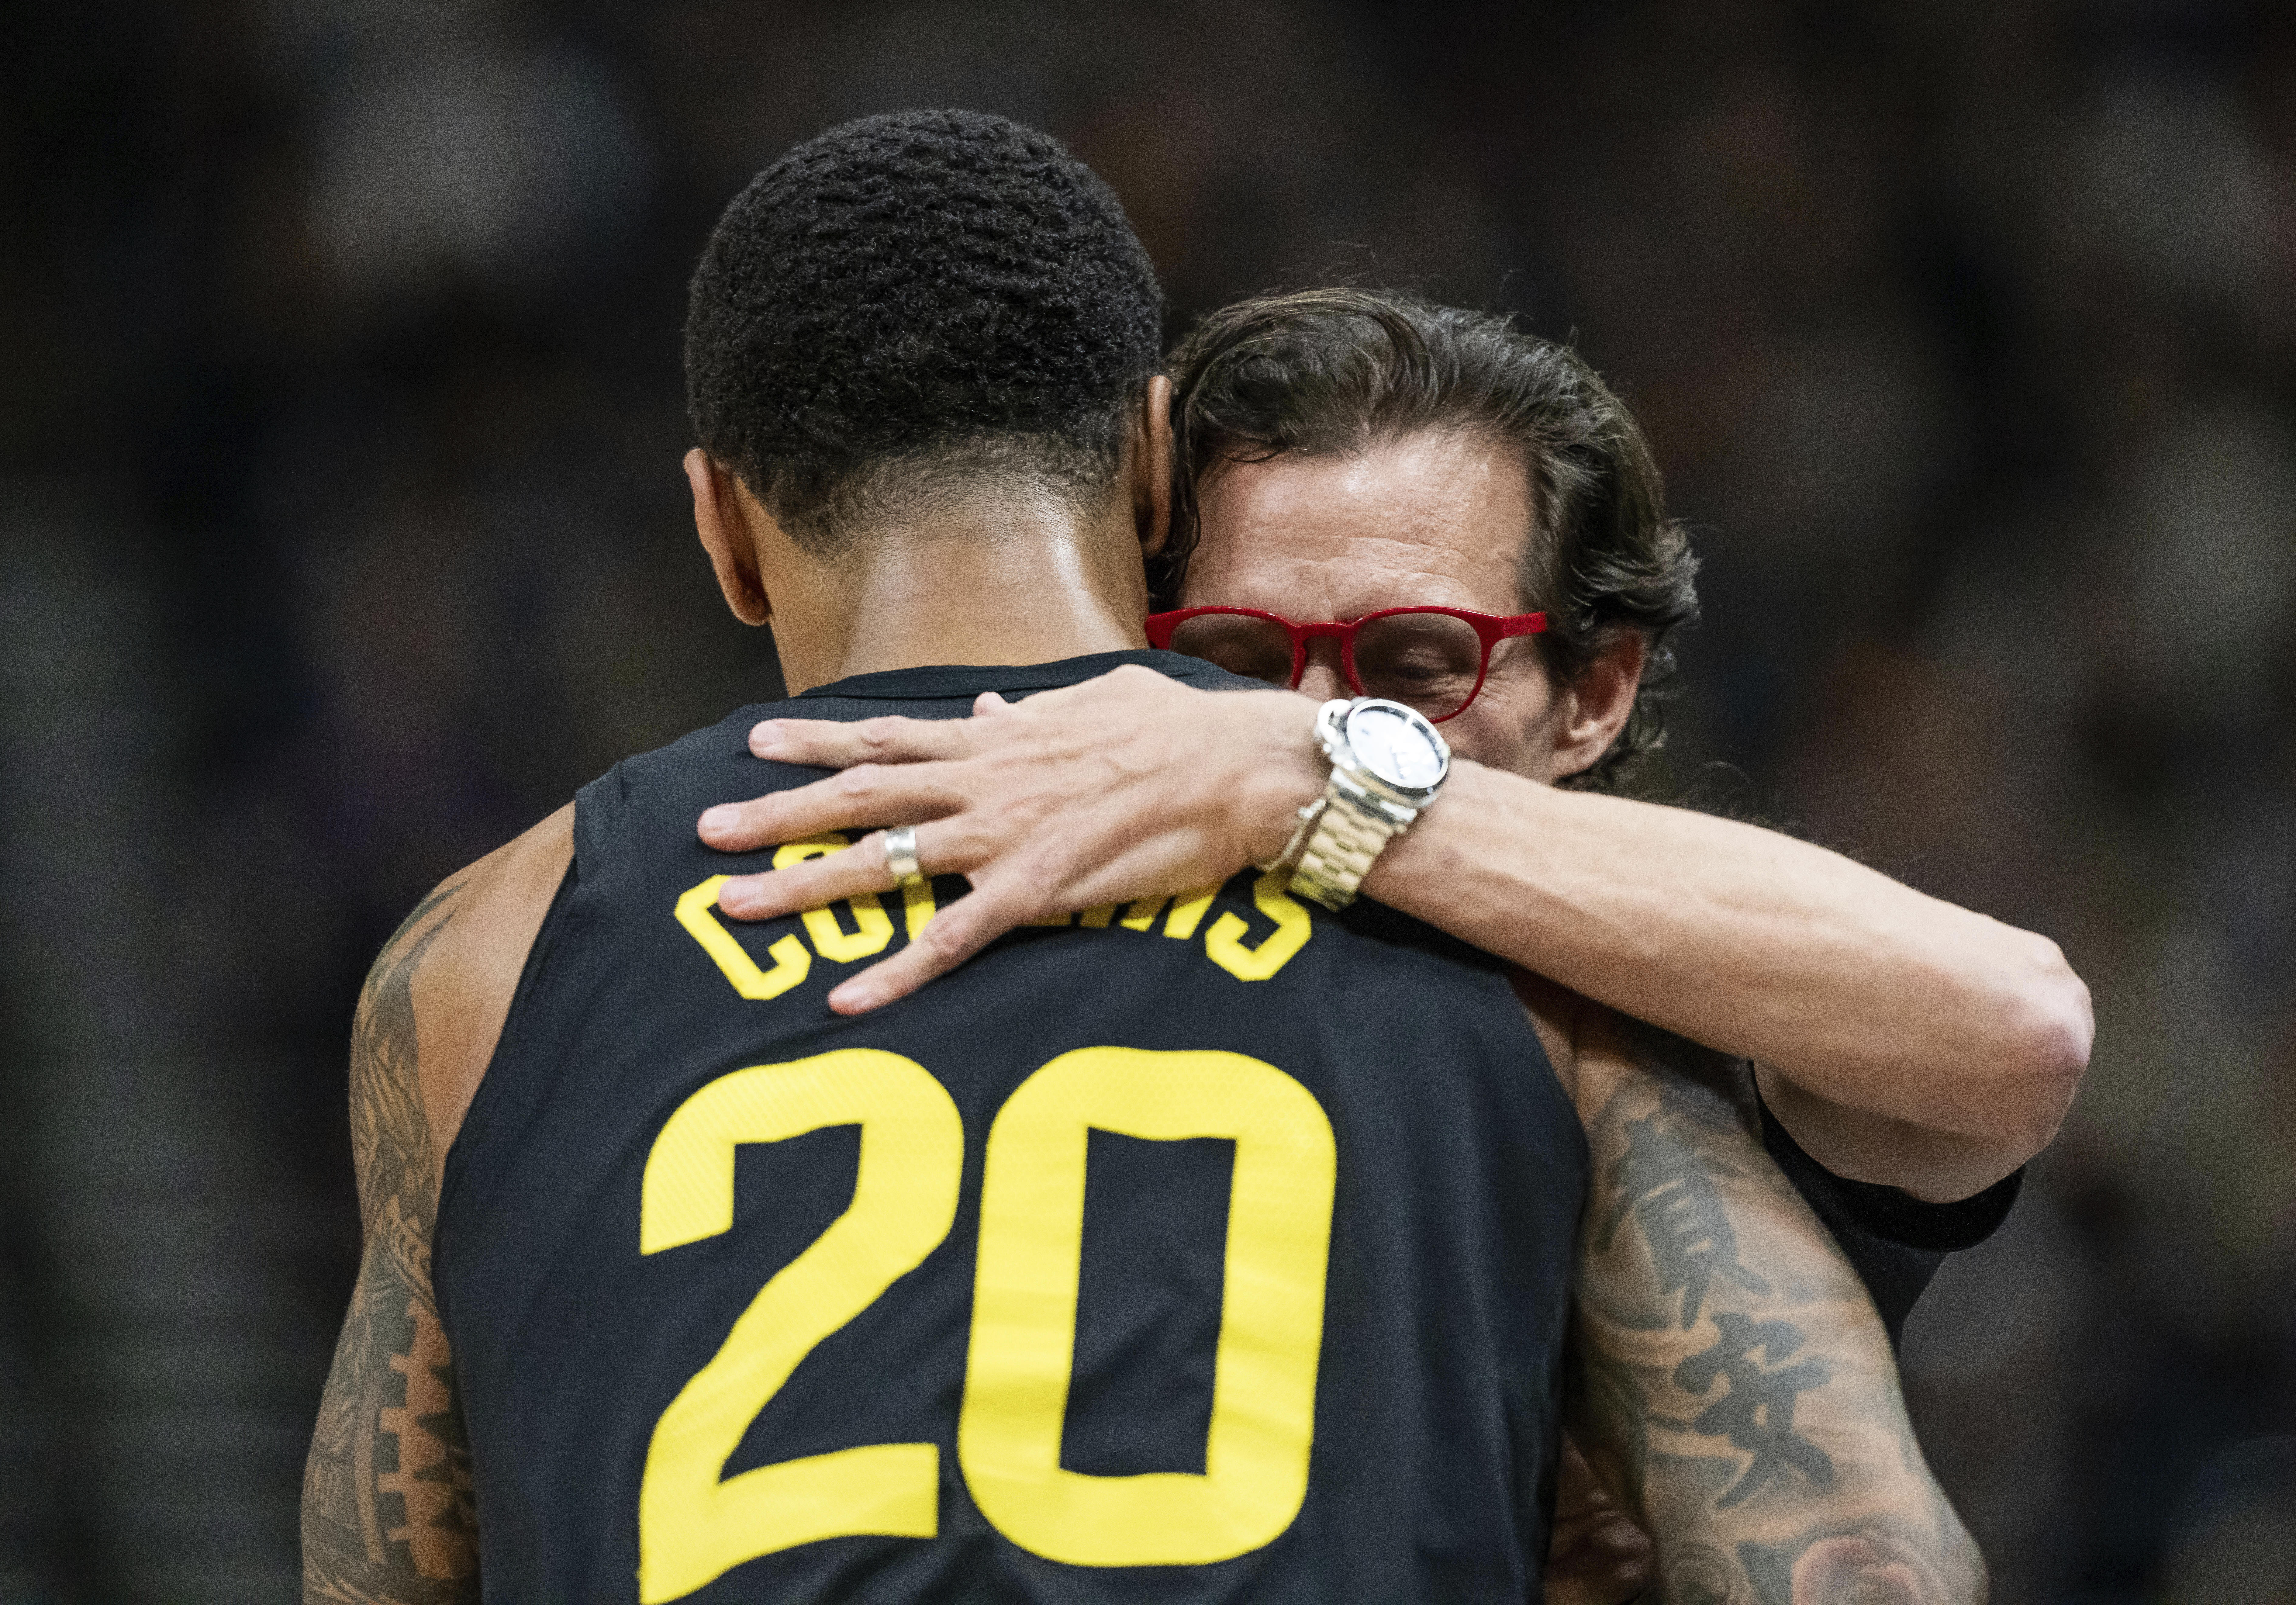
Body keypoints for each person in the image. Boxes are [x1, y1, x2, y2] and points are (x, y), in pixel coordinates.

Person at [302, 112, 1980, 1604]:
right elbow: (1859, 1559)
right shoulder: (1503, 909)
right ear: (1156, 455)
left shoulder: (485, 958)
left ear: (724, 532)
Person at [690, 288, 2088, 1595]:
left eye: (1410, 666)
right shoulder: (1046, 949)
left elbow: (2017, 1026)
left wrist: (1306, 775)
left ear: (1593, 694)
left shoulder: (1674, 994)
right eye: (1234, 659)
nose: (1295, 708)